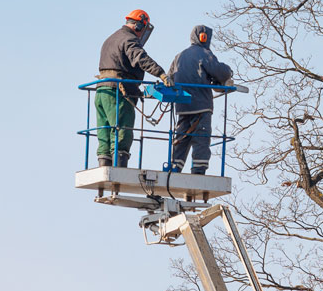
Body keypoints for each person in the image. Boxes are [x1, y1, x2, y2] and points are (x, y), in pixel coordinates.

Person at [96, 9, 167, 168]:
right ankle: (119, 167)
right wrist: (161, 74)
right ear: (140, 25)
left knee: (105, 132)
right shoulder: (128, 39)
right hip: (118, 91)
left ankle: (104, 165)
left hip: (101, 90)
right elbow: (140, 58)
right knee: (122, 130)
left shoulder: (111, 39)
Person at [166, 25, 232, 174]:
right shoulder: (205, 54)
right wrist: (228, 72)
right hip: (201, 105)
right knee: (201, 139)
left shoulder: (179, 56)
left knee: (181, 138)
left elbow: (169, 78)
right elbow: (220, 72)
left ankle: (174, 168)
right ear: (204, 37)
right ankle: (198, 170)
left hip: (182, 107)